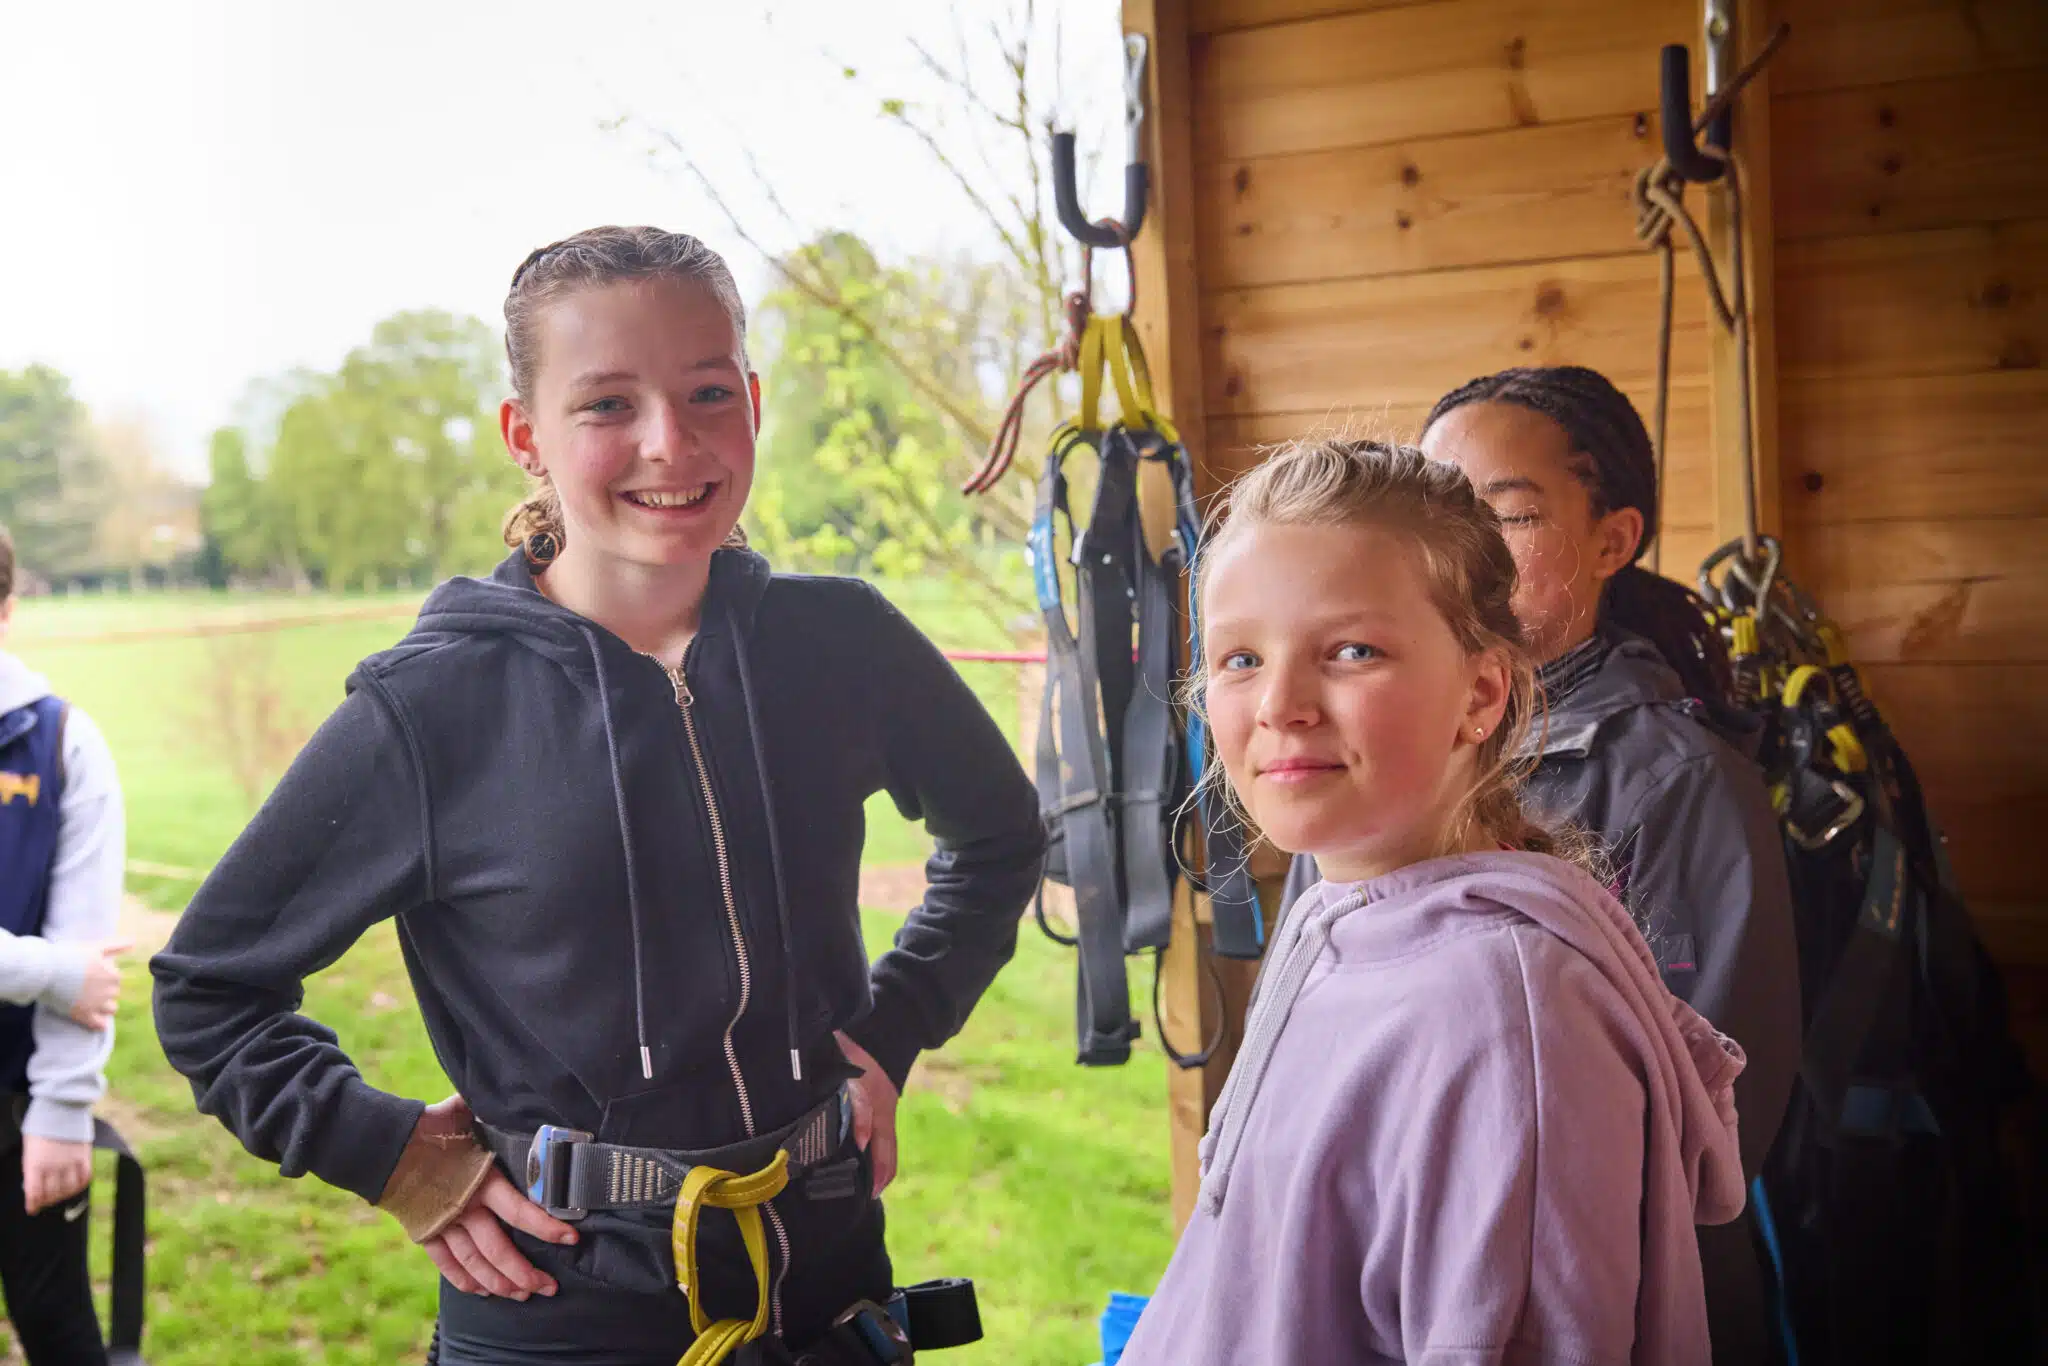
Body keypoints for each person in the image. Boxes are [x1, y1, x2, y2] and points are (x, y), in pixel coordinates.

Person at [150, 227, 1047, 1366]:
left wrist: (895, 1025)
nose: (669, 443)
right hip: (560, 1309)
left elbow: (1001, 835)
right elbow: (209, 989)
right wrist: (387, 1151)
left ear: (753, 403)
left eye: (706, 391)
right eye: (607, 404)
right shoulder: (431, 708)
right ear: (527, 435)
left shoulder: (840, 642)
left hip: (827, 1289)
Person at [1121, 439, 1745, 1366]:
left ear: (1482, 691)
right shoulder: (1337, 909)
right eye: (1241, 657)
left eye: (1352, 650)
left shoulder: (1508, 1016)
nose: (1279, 704)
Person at [1390, 364, 1799, 1361]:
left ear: (1611, 539)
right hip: (1405, 1261)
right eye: (1438, 511)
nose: (1465, 552)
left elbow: (1710, 1126)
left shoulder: (1679, 782)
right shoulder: (1392, 744)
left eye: (1511, 516)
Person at [0, 523, 130, 1366]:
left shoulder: (63, 744)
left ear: (6, 606)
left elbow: (90, 942)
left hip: (20, 1106)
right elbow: (72, 966)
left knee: (58, 1330)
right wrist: (47, 970)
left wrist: (62, 1109)